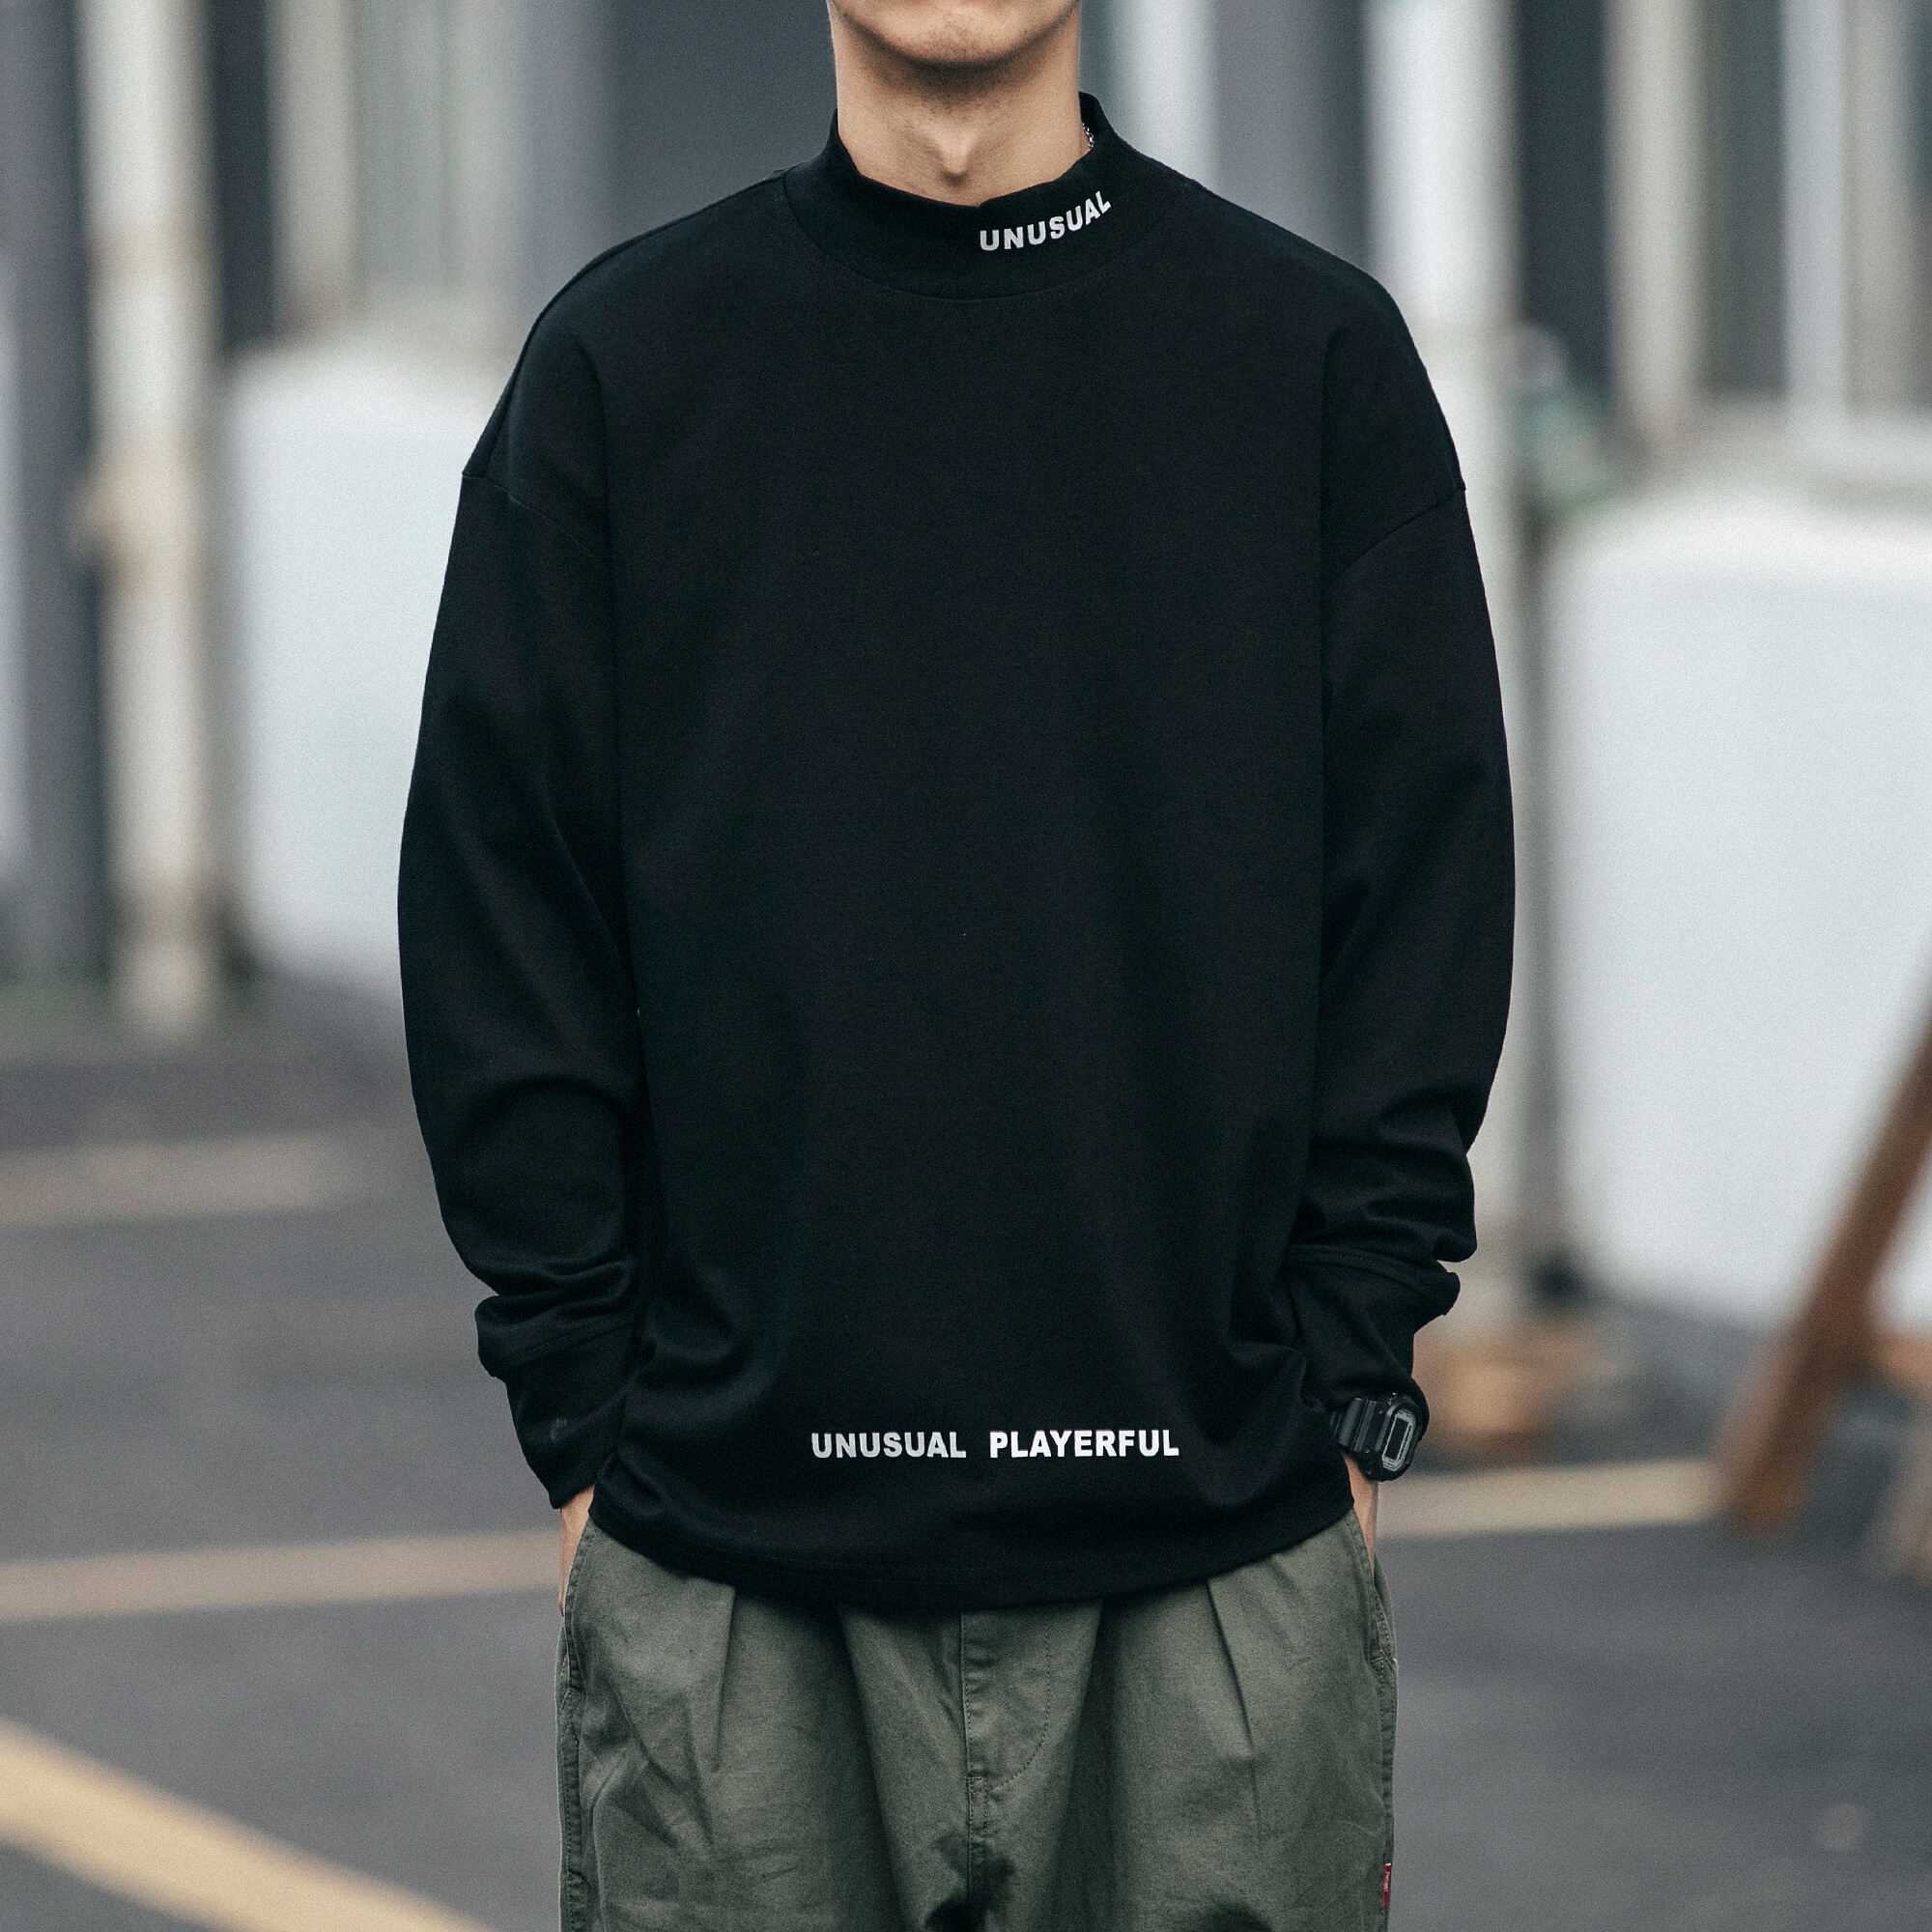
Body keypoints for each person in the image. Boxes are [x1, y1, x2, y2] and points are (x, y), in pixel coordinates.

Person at [398, 0, 1513, 1924]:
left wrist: (1349, 1375)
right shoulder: (626, 372)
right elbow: (506, 917)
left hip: (1214, 1559)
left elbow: (1420, 904)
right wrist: (582, 1419)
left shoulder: (1303, 363)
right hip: (736, 1578)